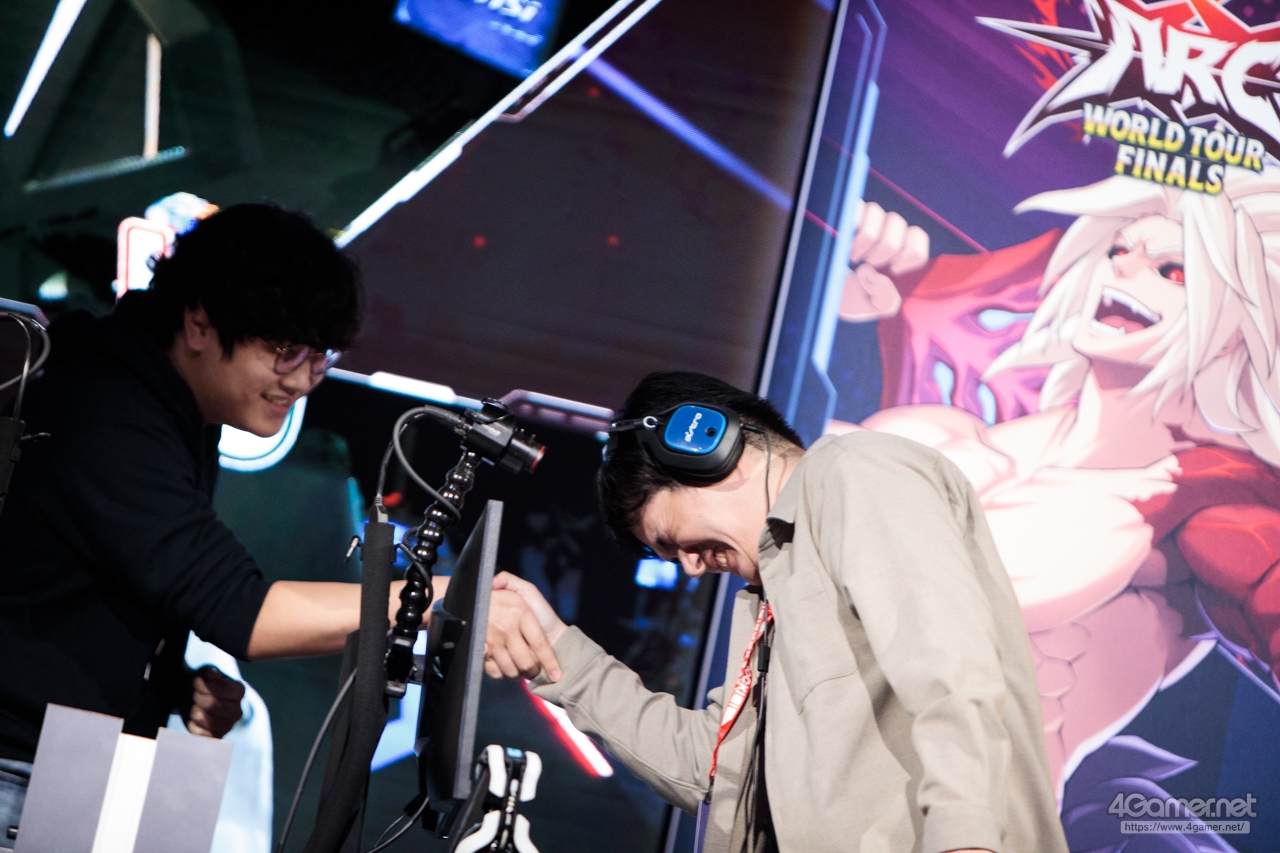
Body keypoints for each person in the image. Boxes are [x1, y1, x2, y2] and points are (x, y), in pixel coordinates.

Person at [838, 174, 1280, 853]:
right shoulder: (957, 433)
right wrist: (864, 297)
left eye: (1172, 271)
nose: (1125, 271)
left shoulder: (1197, 504)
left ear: (1237, 321)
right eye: (1120, 252)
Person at [0, 204, 442, 844]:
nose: (304, 380)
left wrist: (176, 685)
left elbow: (92, 590)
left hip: (70, 766)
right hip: (20, 775)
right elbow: (243, 613)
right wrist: (432, 598)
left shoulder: (174, 405)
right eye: (285, 352)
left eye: (319, 356)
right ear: (200, 323)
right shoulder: (110, 414)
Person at [484, 370, 1068, 853]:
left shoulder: (854, 473)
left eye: (672, 540)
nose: (690, 567)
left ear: (707, 449)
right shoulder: (775, 590)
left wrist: (966, 836)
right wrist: (556, 652)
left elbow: (950, 665)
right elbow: (710, 767)